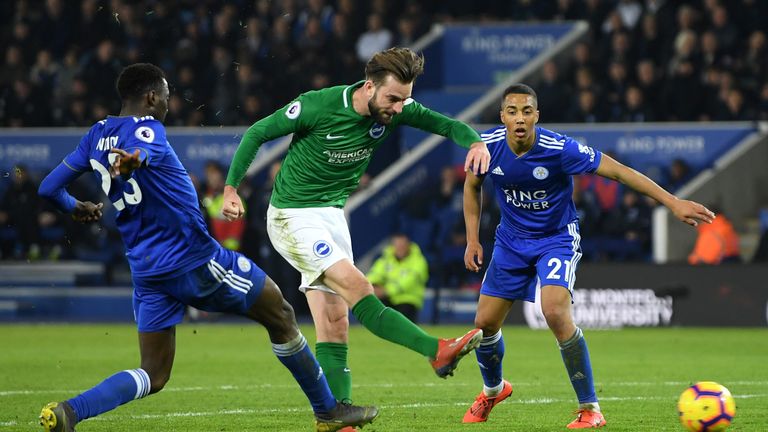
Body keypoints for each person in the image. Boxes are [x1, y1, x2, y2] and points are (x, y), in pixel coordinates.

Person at [36, 63, 377, 432]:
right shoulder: (149, 129)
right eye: (165, 96)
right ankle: (328, 411)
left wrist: (77, 207)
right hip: (192, 258)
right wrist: (129, 162)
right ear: (151, 97)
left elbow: (48, 188)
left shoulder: (96, 134)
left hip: (146, 268)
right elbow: (133, 157)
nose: (168, 104)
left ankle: (70, 412)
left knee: (154, 372)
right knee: (279, 311)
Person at [222, 47, 490, 412]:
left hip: (332, 215)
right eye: (393, 98)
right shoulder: (319, 105)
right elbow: (258, 132)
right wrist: (232, 187)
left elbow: (446, 125)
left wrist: (474, 141)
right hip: (292, 215)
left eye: (405, 100)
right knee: (359, 286)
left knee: (335, 321)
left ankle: (337, 412)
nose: (398, 108)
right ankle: (436, 351)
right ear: (369, 86)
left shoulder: (396, 107)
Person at [461, 84, 715, 428]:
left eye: (526, 111)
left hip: (556, 239)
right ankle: (493, 390)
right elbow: (472, 186)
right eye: (512, 111)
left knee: (553, 310)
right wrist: (472, 239)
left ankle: (590, 408)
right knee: (484, 324)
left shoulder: (559, 148)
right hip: (510, 241)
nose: (519, 118)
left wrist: (673, 202)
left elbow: (618, 171)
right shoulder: (486, 147)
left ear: (537, 115)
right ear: (502, 116)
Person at [367, 232, 428, 323]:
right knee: (374, 304)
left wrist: (386, 291)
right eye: (397, 245)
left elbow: (408, 282)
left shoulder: (418, 261)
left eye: (402, 245)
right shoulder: (386, 258)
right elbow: (375, 274)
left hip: (408, 299)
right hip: (388, 298)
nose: (400, 248)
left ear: (408, 245)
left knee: (402, 322)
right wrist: (371, 287)